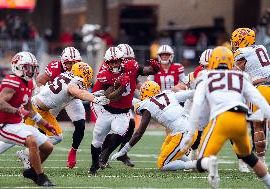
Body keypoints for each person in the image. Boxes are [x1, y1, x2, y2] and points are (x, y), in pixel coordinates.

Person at [177, 46, 270, 189]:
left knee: (201, 163)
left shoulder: (205, 77)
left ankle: (209, 163)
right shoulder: (241, 77)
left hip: (221, 120)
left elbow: (196, 106)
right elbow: (260, 101)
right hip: (240, 121)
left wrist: (190, 134)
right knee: (250, 158)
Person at [89, 46, 160, 175]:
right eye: (111, 62)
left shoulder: (130, 65)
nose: (114, 64)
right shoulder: (104, 74)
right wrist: (121, 86)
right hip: (104, 107)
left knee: (120, 132)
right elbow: (111, 97)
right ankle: (95, 163)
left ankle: (105, 156)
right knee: (97, 140)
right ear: (107, 63)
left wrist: (154, 69)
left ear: (122, 60)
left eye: (117, 61)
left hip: (122, 110)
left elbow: (143, 71)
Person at [0, 51, 56, 186]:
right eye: (28, 67)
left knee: (48, 147)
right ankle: (40, 177)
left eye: (33, 68)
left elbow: (30, 110)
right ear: (18, 67)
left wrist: (46, 124)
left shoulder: (29, 84)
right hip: (4, 126)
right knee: (31, 142)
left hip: (18, 124)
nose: (31, 71)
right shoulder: (12, 81)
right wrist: (17, 111)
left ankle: (32, 171)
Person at [111, 81, 197, 171]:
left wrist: (123, 151)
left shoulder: (147, 106)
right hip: (189, 129)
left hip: (183, 133)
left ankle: (197, 164)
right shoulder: (169, 94)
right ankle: (193, 163)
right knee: (166, 148)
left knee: (163, 164)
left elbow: (139, 133)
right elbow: (191, 93)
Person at [29, 47, 86, 169]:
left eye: (75, 63)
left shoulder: (82, 69)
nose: (72, 66)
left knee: (81, 125)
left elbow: (82, 92)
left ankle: (73, 152)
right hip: (54, 100)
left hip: (72, 99)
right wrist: (42, 92)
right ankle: (32, 152)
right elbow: (39, 81)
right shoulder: (55, 67)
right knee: (45, 128)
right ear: (63, 62)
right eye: (69, 63)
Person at [231, 28, 270, 168]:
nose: (234, 44)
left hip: (261, 89)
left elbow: (233, 73)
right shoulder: (261, 47)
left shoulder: (241, 53)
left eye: (236, 41)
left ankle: (262, 163)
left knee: (258, 126)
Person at [100, 44, 138, 168]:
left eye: (130, 59)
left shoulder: (129, 67)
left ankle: (122, 153)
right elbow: (109, 92)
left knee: (131, 123)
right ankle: (102, 155)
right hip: (104, 102)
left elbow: (135, 82)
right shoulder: (108, 68)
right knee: (111, 130)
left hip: (123, 103)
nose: (128, 62)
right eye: (126, 59)